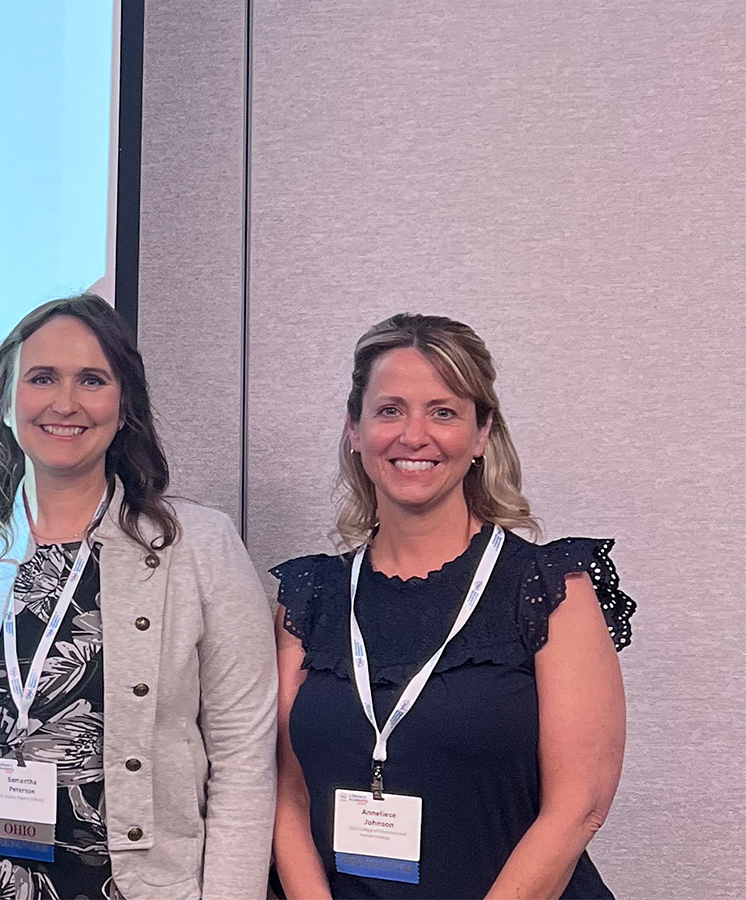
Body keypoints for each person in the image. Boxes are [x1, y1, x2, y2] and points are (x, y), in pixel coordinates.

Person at [0, 294, 277, 900]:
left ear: (124, 406)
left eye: (91, 380)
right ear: (6, 404)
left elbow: (244, 758)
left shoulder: (200, 547)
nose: (65, 403)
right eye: (41, 379)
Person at [271, 313, 635, 900]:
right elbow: (287, 797)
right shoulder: (308, 596)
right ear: (355, 429)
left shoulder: (546, 588)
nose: (414, 435)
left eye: (443, 411)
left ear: (482, 433)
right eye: (390, 410)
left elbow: (579, 808)